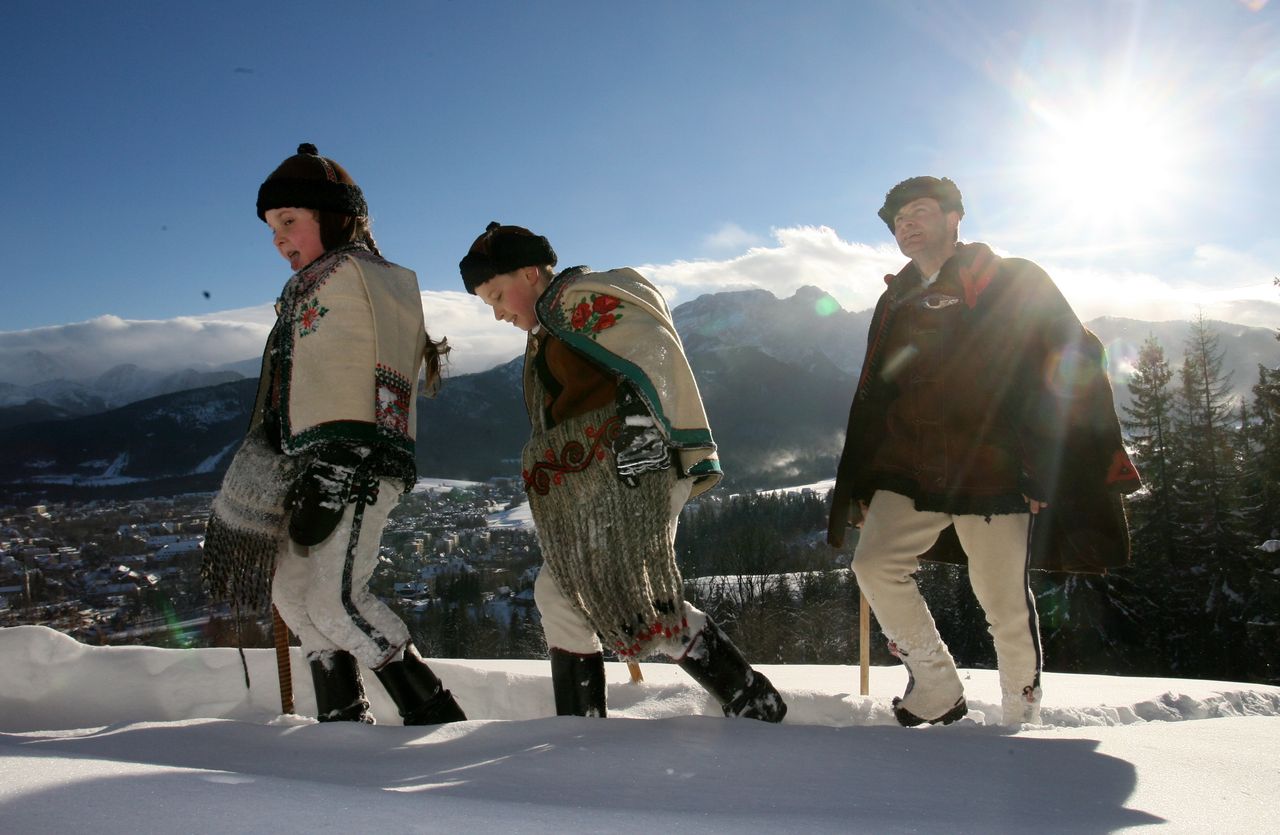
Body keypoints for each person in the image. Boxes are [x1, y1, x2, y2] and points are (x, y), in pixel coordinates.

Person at [827, 177, 1140, 727]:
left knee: (1002, 602)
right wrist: (866, 477)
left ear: (954, 218)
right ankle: (936, 685)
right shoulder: (894, 297)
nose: (906, 225)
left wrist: (1047, 467)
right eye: (898, 220)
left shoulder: (1013, 280)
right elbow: (877, 391)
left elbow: (1072, 363)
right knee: (874, 564)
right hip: (910, 470)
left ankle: (1021, 713)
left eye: (918, 212)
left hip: (994, 471)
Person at [458, 222, 786, 722]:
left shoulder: (582, 300)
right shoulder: (551, 323)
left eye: (498, 295)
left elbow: (651, 350)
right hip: (605, 479)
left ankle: (594, 722)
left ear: (530, 272)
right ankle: (743, 697)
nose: (499, 313)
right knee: (580, 594)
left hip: (640, 470)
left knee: (592, 594)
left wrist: (639, 431)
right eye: (490, 305)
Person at [202, 144, 465, 726]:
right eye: (272, 228)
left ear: (334, 217)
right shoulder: (309, 288)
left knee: (335, 597)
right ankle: (343, 725)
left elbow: (381, 375)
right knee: (293, 596)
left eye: (289, 220)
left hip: (358, 464)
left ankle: (443, 725)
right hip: (312, 464)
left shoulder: (367, 278)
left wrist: (343, 459)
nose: (278, 238)